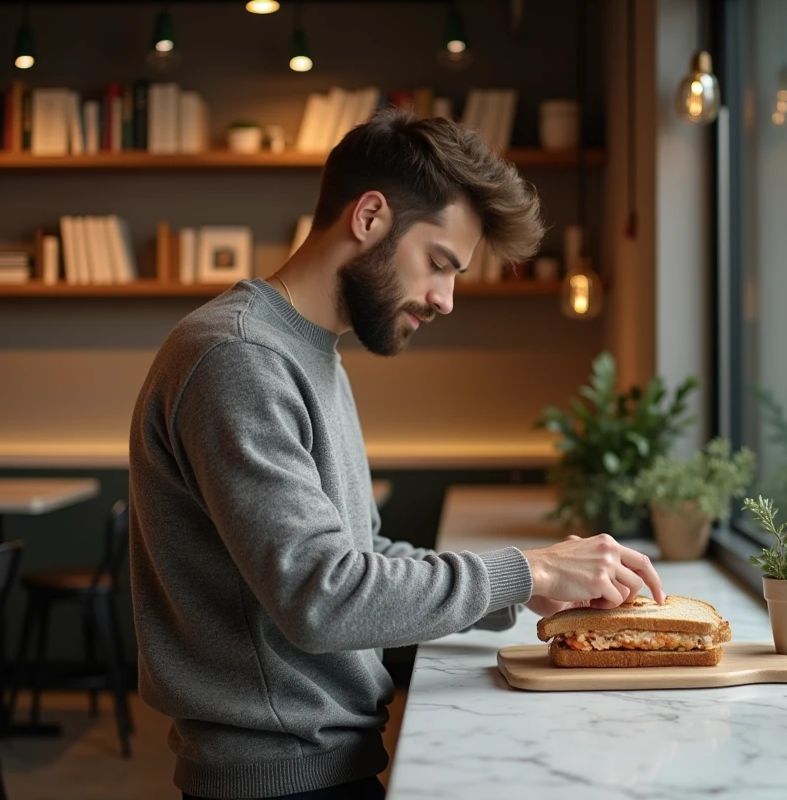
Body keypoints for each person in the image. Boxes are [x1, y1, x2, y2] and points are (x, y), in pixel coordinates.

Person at [128, 108, 665, 800]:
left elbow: (366, 556)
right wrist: (522, 570)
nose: (444, 299)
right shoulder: (239, 358)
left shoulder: (309, 353)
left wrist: (529, 586)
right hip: (278, 782)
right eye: (439, 264)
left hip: (322, 765)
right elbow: (322, 598)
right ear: (371, 216)